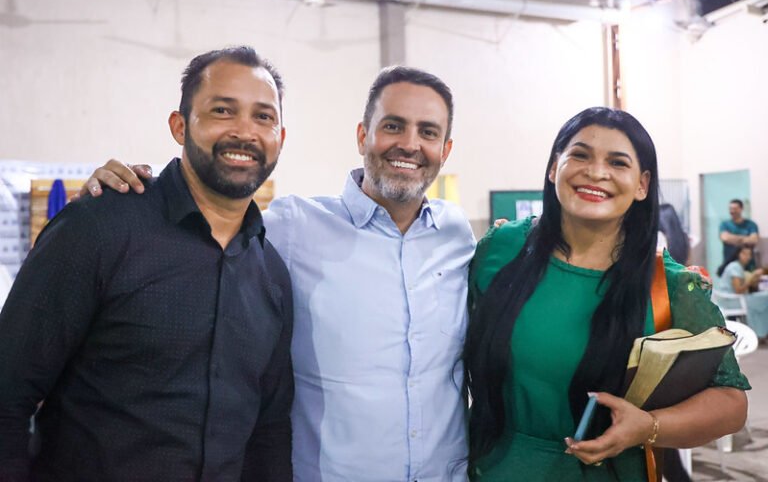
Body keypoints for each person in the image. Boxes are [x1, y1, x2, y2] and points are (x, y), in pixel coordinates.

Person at [77, 66, 476, 481]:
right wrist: (125, 195)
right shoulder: (293, 227)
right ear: (363, 136)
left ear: (445, 150)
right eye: (393, 126)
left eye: (428, 132)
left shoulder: (457, 235)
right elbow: (203, 225)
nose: (409, 144)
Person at [0, 47, 294, 481]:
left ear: (280, 138)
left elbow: (268, 434)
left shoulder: (273, 276)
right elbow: (7, 396)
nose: (245, 131)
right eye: (222, 110)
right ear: (180, 126)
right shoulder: (98, 228)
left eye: (263, 117)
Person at [465, 107, 749, 481]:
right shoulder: (501, 250)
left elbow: (731, 402)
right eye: (580, 155)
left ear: (642, 184)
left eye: (617, 162)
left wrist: (649, 426)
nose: (596, 172)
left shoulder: (670, 286)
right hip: (490, 469)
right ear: (554, 168)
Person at [716, 246, 768, 341]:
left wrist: (754, 279)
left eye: (749, 254)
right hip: (732, 300)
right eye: (744, 254)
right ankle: (760, 332)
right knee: (765, 299)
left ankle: (761, 332)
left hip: (733, 299)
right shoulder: (735, 267)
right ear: (738, 254)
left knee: (763, 298)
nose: (747, 257)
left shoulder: (737, 266)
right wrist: (752, 278)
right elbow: (738, 290)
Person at [720, 199, 759, 269]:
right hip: (729, 264)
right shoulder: (725, 224)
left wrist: (732, 239)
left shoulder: (751, 224)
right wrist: (745, 239)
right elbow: (725, 238)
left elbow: (754, 240)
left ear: (741, 209)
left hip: (749, 265)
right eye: (730, 209)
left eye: (735, 209)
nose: (732, 211)